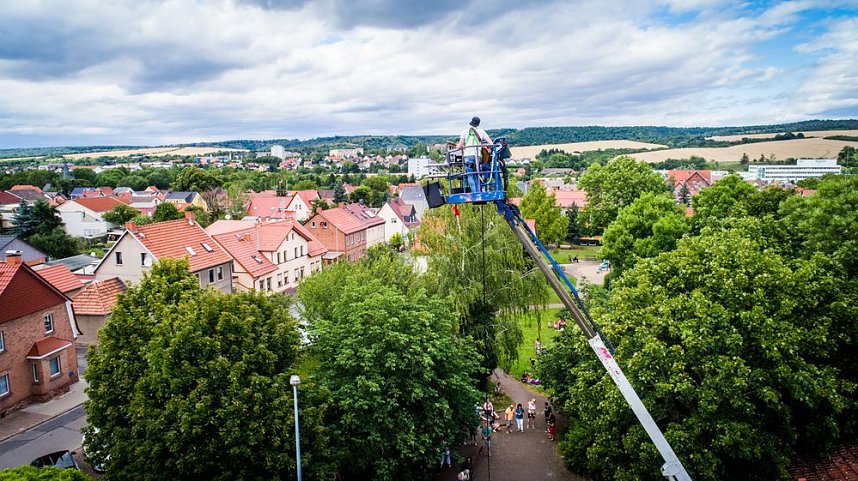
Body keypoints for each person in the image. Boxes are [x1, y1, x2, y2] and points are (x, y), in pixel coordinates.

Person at [455, 116, 492, 193]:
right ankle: (479, 192)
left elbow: (459, 146)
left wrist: (457, 147)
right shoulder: (482, 132)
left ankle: (474, 193)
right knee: (477, 174)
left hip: (468, 156)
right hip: (478, 156)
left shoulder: (465, 131)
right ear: (478, 124)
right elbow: (491, 143)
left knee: (470, 175)